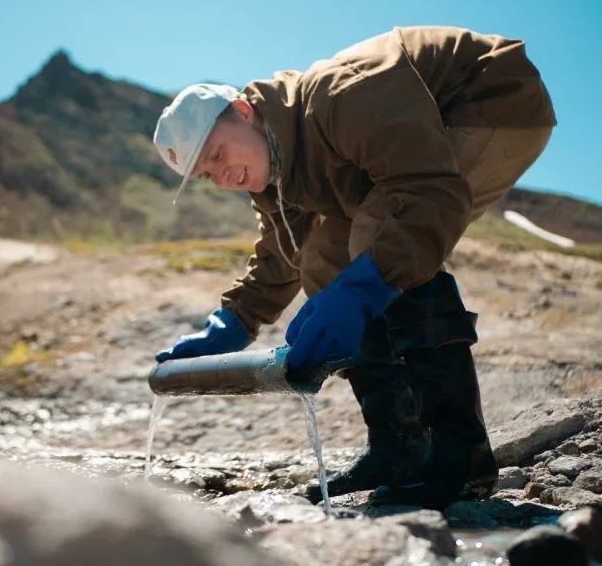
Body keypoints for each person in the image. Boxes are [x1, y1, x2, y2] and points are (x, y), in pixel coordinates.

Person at [151, 26, 555, 509]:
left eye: (218, 154)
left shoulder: (341, 92)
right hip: (423, 145)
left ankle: (461, 457)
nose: (222, 175)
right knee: (324, 259)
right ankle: (399, 449)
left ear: (243, 111)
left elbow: (428, 193)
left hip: (492, 99)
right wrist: (234, 322)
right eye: (206, 175)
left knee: (385, 236)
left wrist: (364, 289)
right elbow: (286, 251)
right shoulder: (276, 171)